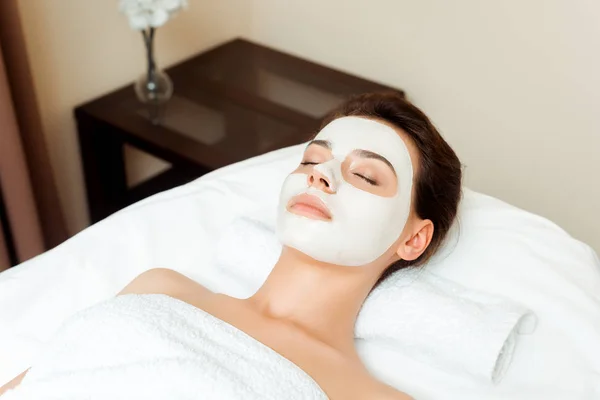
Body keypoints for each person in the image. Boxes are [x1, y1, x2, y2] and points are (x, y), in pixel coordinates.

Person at [0, 92, 462, 399]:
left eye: (364, 174)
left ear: (413, 238)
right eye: (312, 159)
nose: (320, 174)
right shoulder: (161, 289)